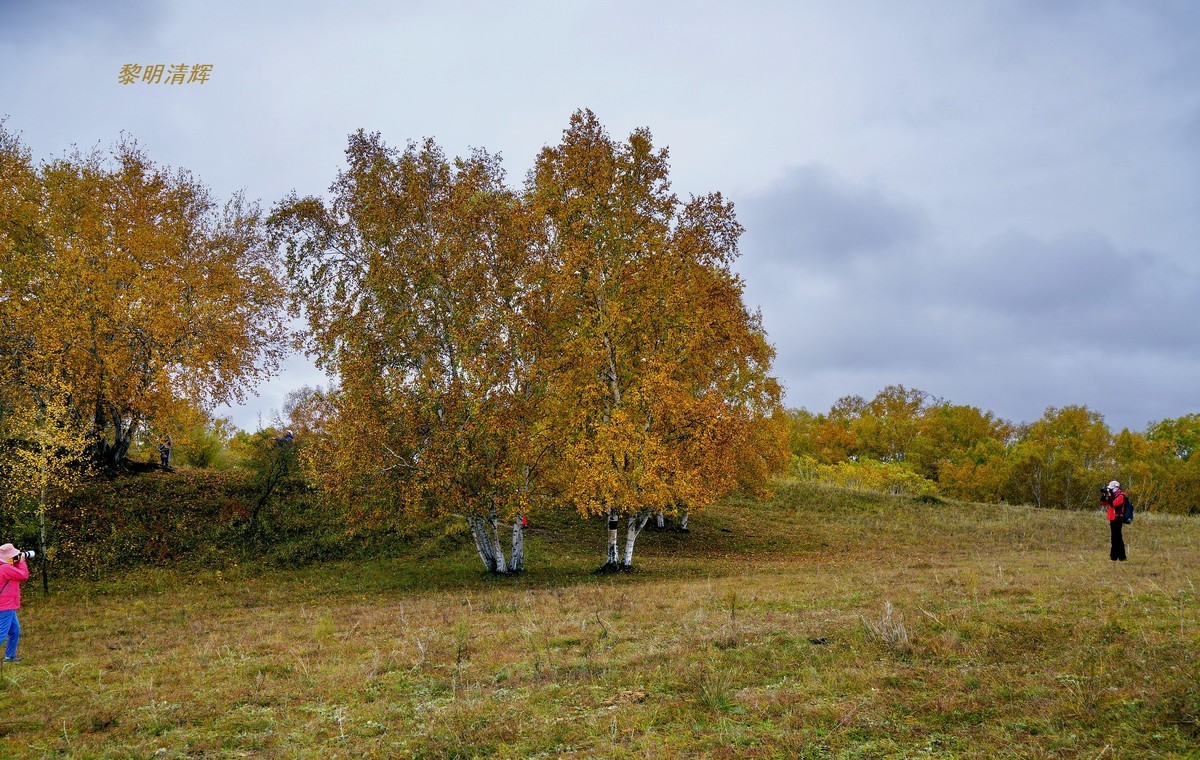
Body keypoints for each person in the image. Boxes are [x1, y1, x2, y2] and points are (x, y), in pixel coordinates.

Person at [0, 543, 30, 663]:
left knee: (15, 630)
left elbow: (14, 572)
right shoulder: (5, 568)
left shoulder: (4, 566)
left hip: (8, 605)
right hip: (5, 606)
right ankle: (9, 657)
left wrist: (16, 561)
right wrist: (21, 561)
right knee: (2, 633)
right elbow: (23, 575)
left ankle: (10, 657)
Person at [1101, 480, 1129, 561]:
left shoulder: (1121, 496)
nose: (1110, 490)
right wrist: (1104, 495)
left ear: (1116, 488)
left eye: (1111, 488)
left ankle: (1118, 556)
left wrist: (1109, 495)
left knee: (1117, 538)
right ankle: (1118, 556)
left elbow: (1113, 504)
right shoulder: (1113, 495)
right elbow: (1103, 503)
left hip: (1117, 518)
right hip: (1112, 518)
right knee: (1115, 537)